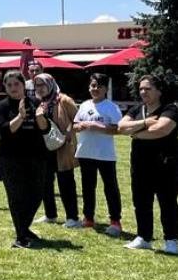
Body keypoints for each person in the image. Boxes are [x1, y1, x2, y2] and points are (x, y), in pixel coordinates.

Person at [117, 74, 178, 254]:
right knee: (141, 201)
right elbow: (121, 127)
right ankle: (144, 237)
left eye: (148, 88)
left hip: (164, 163)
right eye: (141, 88)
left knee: (167, 202)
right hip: (140, 163)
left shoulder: (170, 109)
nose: (143, 92)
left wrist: (135, 132)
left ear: (159, 91)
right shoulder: (137, 109)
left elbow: (161, 130)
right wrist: (144, 123)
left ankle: (172, 239)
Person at [0, 71, 50, 248]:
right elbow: (4, 130)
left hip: (36, 156)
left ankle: (24, 228)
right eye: (9, 85)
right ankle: (20, 236)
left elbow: (44, 129)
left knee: (36, 194)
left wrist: (40, 116)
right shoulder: (2, 106)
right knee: (16, 197)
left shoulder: (35, 103)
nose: (13, 88)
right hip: (10, 158)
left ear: (23, 85)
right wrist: (20, 116)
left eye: (16, 84)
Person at [71, 73, 123, 236]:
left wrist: (96, 125)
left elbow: (118, 129)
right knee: (88, 186)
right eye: (93, 86)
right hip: (85, 152)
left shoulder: (111, 107)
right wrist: (79, 127)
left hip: (105, 154)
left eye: (99, 86)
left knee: (110, 187)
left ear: (105, 89)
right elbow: (75, 124)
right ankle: (88, 218)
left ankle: (115, 220)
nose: (95, 89)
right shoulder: (85, 105)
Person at [31, 71, 81, 228]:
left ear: (50, 84)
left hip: (63, 148)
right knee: (45, 182)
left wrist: (69, 133)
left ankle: (72, 217)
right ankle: (50, 214)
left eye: (42, 84)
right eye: (36, 85)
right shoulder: (39, 103)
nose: (39, 88)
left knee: (66, 182)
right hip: (45, 148)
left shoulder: (64, 100)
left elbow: (78, 120)